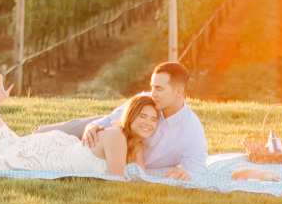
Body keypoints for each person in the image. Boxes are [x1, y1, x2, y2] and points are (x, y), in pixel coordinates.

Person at [0, 67, 158, 177]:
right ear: (130, 115)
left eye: (154, 119)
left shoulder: (135, 144)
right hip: (53, 156)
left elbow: (144, 178)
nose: (148, 123)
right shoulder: (116, 135)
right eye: (143, 116)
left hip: (62, 148)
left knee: (5, 145)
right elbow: (118, 179)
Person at [34, 62, 208, 181]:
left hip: (117, 154)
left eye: (159, 89)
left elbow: (198, 168)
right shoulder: (146, 100)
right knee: (43, 137)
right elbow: (111, 119)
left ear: (179, 92)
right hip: (109, 134)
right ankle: (41, 134)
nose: (152, 93)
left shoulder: (191, 130)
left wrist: (187, 173)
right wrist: (93, 126)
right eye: (152, 87)